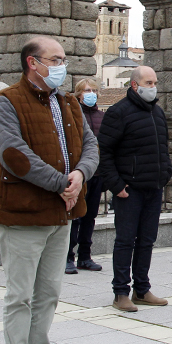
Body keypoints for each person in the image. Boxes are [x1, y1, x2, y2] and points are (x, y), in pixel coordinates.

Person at [0, 36, 99, 344]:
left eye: (63, 59)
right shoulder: (7, 101)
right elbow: (12, 154)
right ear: (33, 63)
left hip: (61, 214)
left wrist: (79, 176)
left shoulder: (68, 103)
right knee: (20, 295)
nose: (62, 66)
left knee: (48, 293)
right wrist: (60, 184)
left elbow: (90, 146)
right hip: (23, 214)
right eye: (55, 59)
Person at [98, 66, 172, 311]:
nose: (153, 87)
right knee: (125, 241)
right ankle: (121, 292)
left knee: (147, 241)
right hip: (129, 190)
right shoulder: (118, 112)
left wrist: (166, 173)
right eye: (149, 83)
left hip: (154, 187)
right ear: (134, 85)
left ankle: (142, 288)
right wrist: (116, 185)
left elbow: (163, 147)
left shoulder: (158, 113)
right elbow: (104, 151)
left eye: (155, 82)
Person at [66, 78, 105, 275]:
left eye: (93, 90)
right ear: (79, 94)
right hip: (80, 173)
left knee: (90, 217)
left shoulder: (101, 116)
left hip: (97, 174)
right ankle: (68, 257)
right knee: (75, 217)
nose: (90, 93)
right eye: (86, 90)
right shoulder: (73, 116)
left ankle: (85, 256)